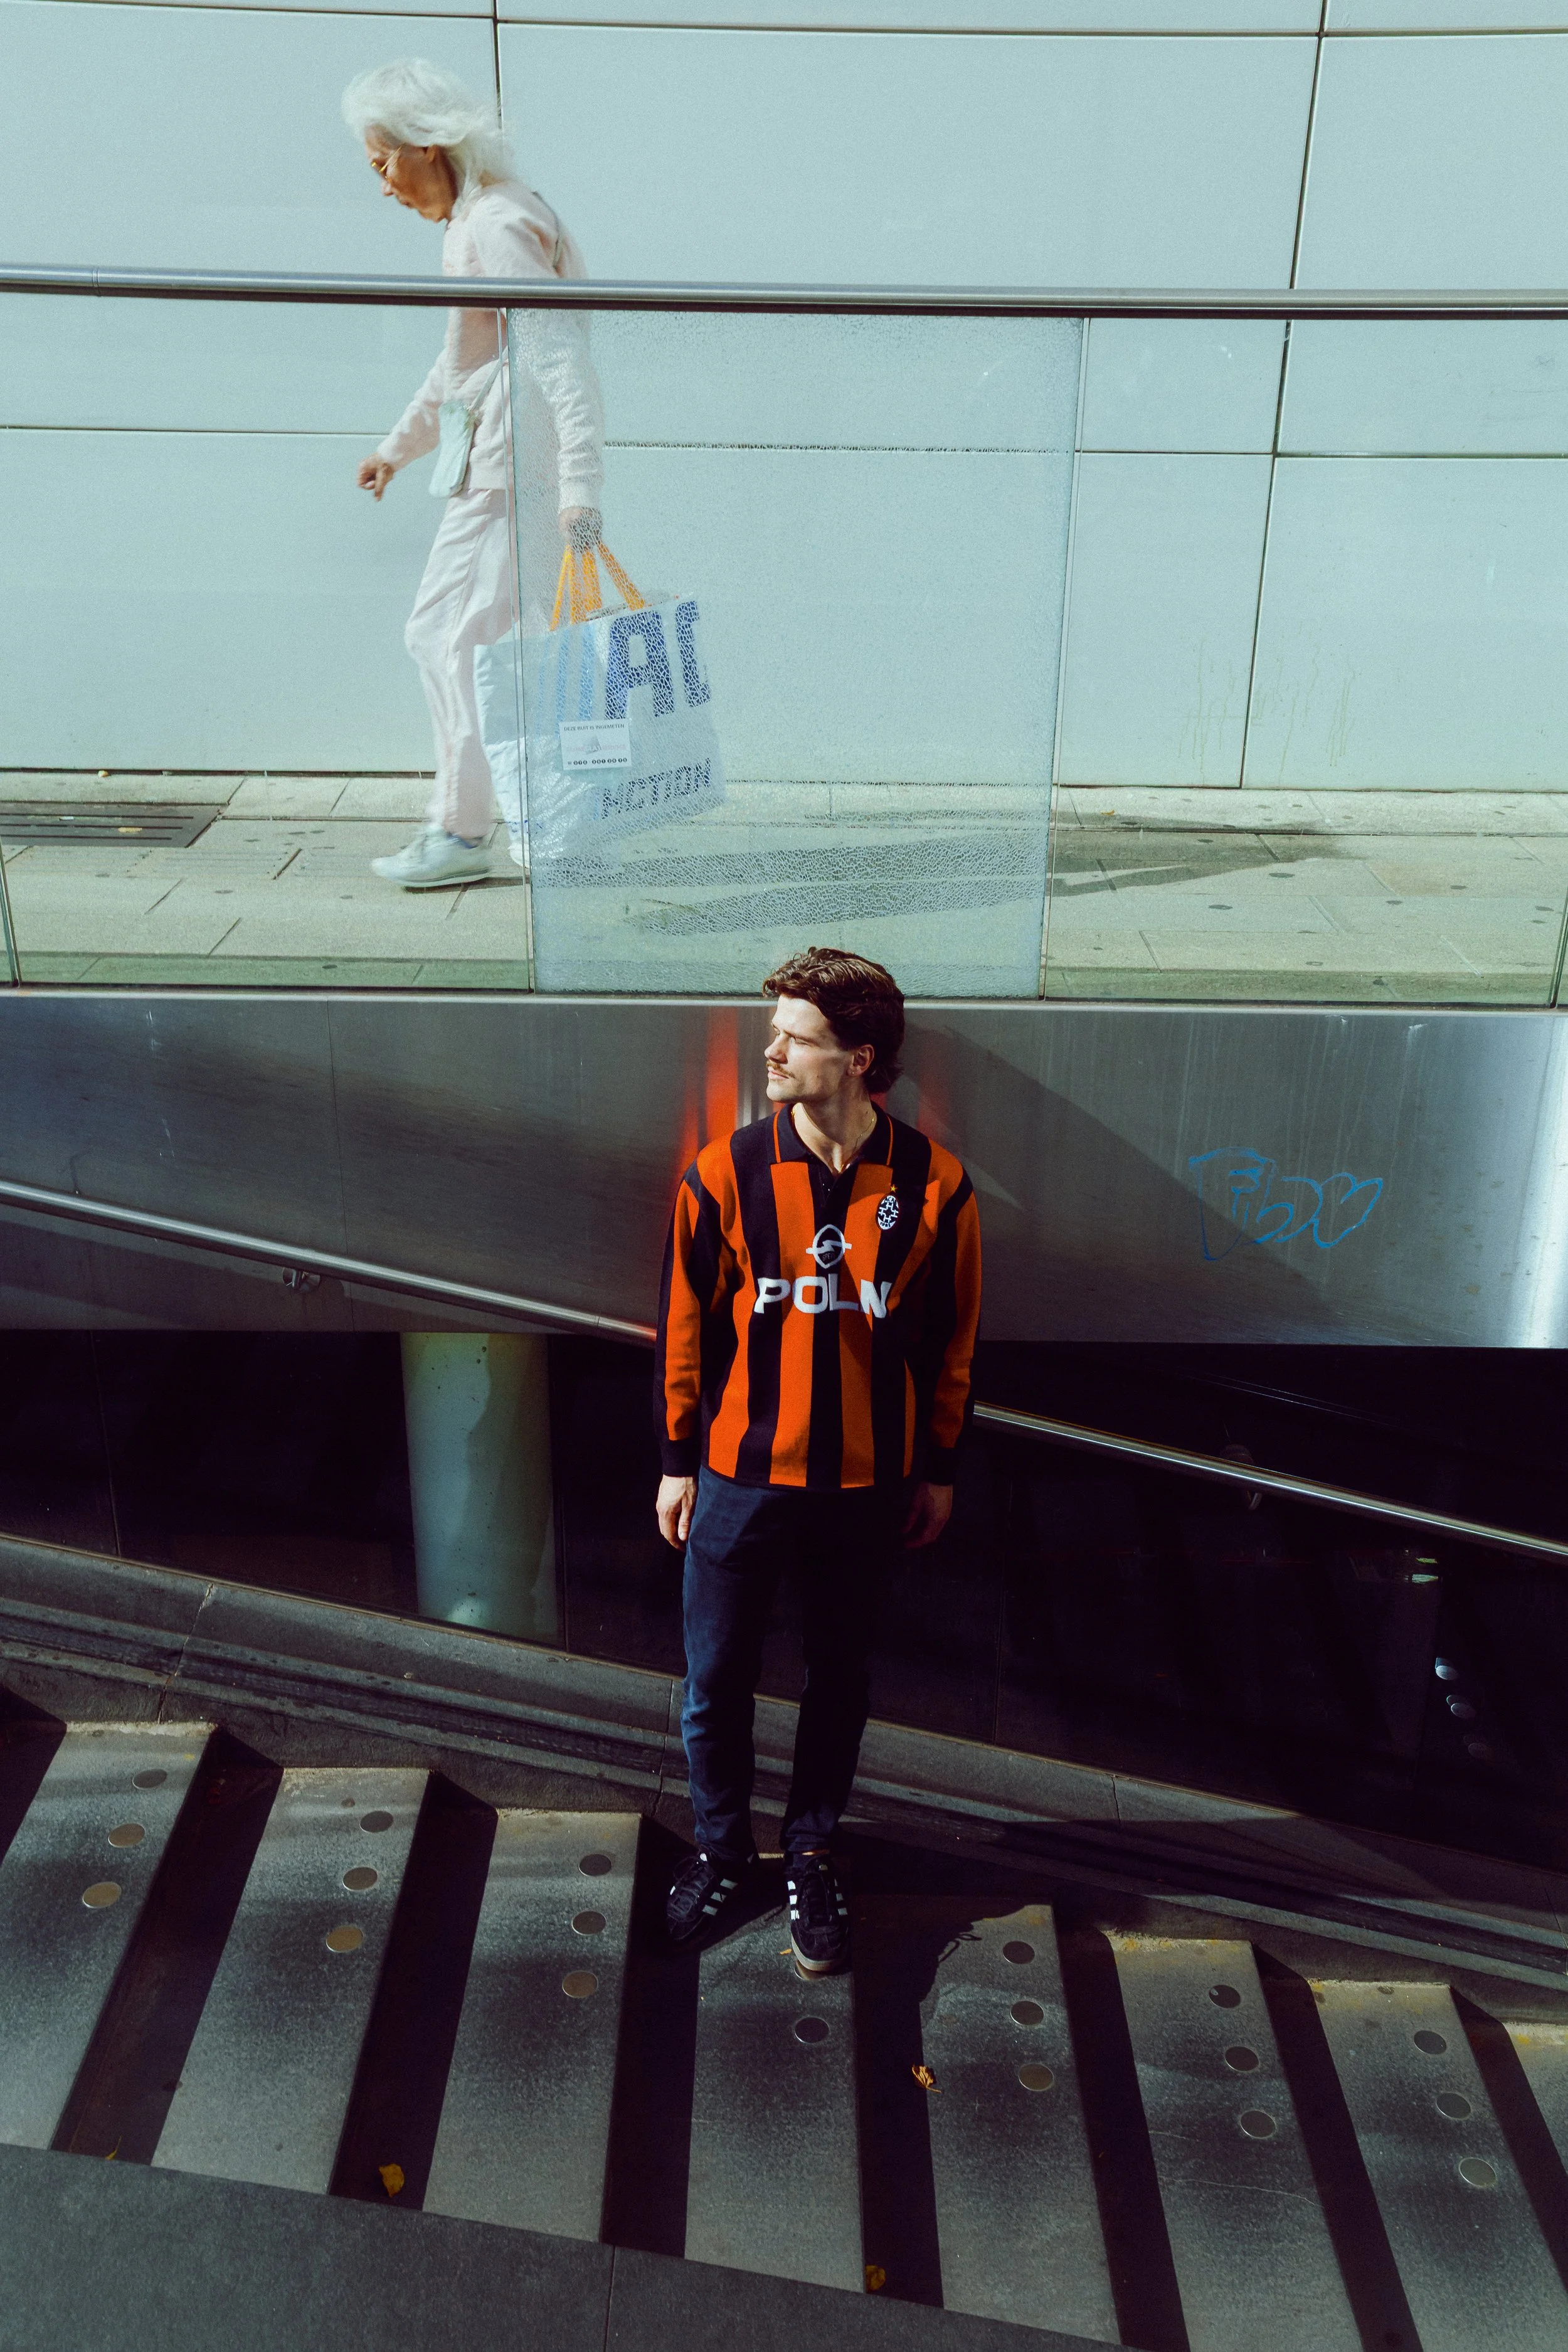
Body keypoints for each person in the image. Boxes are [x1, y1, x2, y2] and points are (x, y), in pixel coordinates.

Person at [654, 948, 982, 1975]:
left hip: (868, 1483)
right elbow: (685, 1327)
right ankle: (719, 1849)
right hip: (742, 1479)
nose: (772, 1052)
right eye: (775, 1033)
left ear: (859, 1058)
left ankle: (809, 1849)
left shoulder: (936, 1184)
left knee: (839, 1678)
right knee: (716, 1680)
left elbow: (952, 1341)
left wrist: (937, 1465)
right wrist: (677, 1459)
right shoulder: (722, 1173)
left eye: (795, 1038)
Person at [341, 59, 605, 889]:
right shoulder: (480, 222)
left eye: (382, 163)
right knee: (467, 642)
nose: (381, 187)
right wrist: (396, 447)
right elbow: (463, 361)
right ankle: (523, 824)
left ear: (427, 147)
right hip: (495, 466)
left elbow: (560, 355)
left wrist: (578, 487)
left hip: (511, 474)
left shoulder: (495, 224)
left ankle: (465, 829)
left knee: (457, 642)